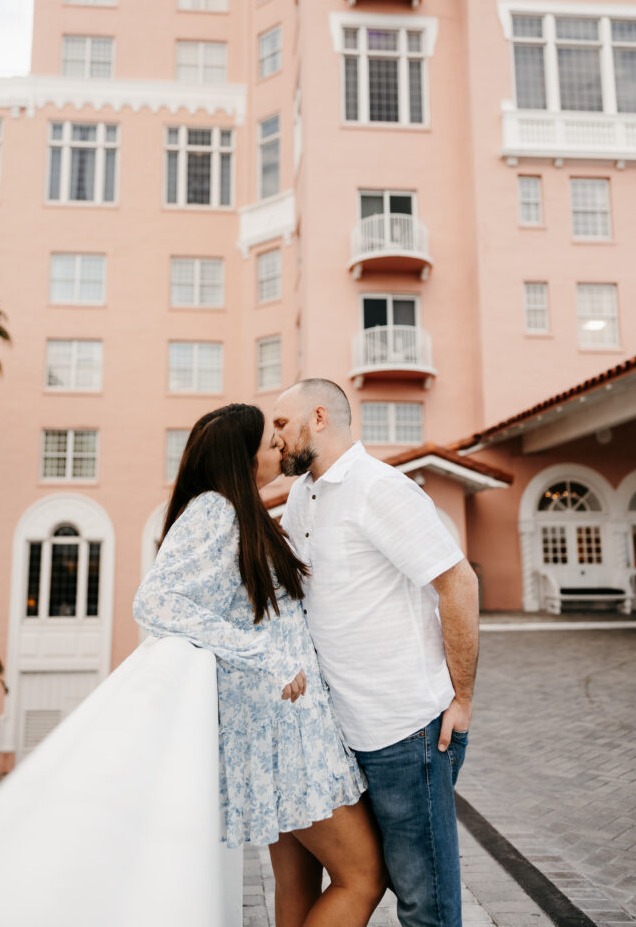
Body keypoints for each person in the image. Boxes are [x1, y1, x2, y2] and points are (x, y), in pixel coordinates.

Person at [133, 403, 387, 927]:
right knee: (363, 877)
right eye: (265, 438)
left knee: (300, 885)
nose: (277, 443)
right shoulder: (215, 511)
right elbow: (155, 601)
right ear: (241, 456)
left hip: (286, 726)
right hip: (282, 731)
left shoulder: (241, 511)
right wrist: (265, 655)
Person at [273, 380, 480, 927]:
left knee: (424, 901)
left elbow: (457, 583)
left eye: (280, 425)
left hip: (406, 731)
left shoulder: (379, 488)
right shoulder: (301, 495)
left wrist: (462, 698)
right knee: (372, 876)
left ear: (318, 418)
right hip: (341, 731)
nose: (274, 439)